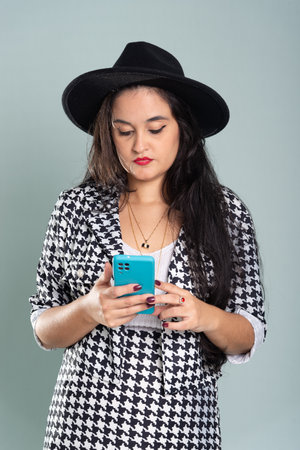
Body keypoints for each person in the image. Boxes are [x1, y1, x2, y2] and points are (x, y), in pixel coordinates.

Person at [29, 41, 266, 450]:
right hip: (84, 424)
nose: (140, 146)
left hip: (184, 426)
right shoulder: (76, 209)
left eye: (156, 129)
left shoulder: (225, 212)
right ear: (109, 135)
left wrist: (202, 315)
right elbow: (43, 329)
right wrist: (90, 308)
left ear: (183, 129)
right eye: (124, 131)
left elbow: (249, 332)